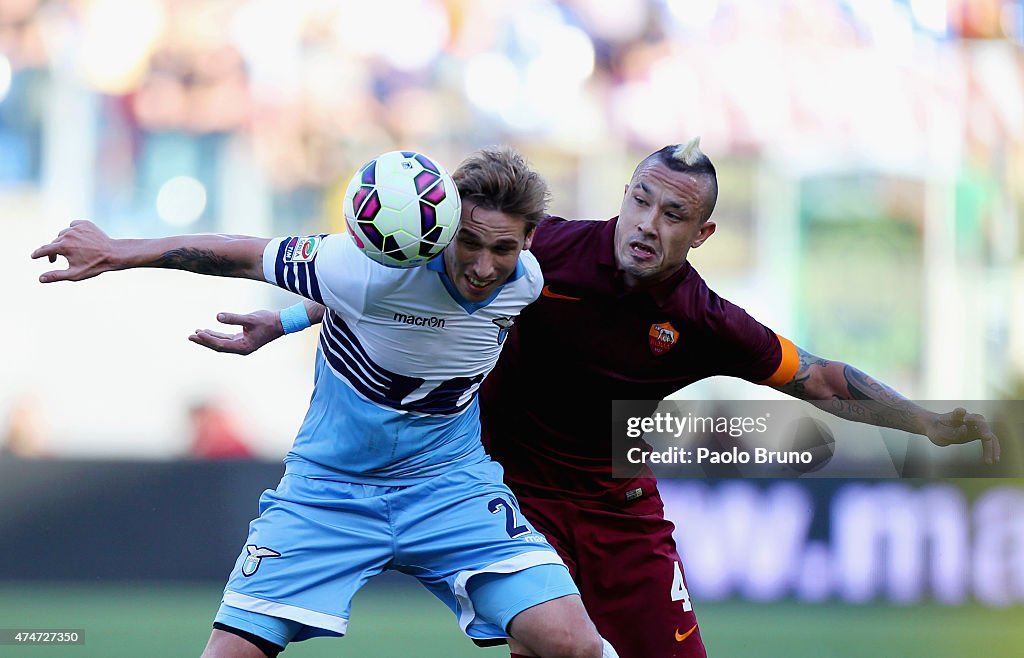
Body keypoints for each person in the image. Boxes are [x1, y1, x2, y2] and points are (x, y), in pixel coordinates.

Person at [189, 138, 1001, 658]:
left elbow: (819, 377)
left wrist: (925, 422)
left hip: (618, 511)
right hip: (501, 494)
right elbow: (420, 290)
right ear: (624, 194)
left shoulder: (705, 322)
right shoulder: (539, 253)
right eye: (641, 199)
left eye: (673, 213)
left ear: (702, 234)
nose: (647, 223)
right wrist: (291, 316)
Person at [31, 147, 620, 658]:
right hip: (330, 490)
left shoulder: (525, 282)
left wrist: (288, 319)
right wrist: (117, 250)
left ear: (527, 242)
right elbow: (238, 253)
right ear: (440, 227)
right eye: (468, 241)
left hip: (451, 486)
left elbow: (394, 313)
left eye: (504, 247)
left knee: (571, 644)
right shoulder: (357, 267)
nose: (484, 266)